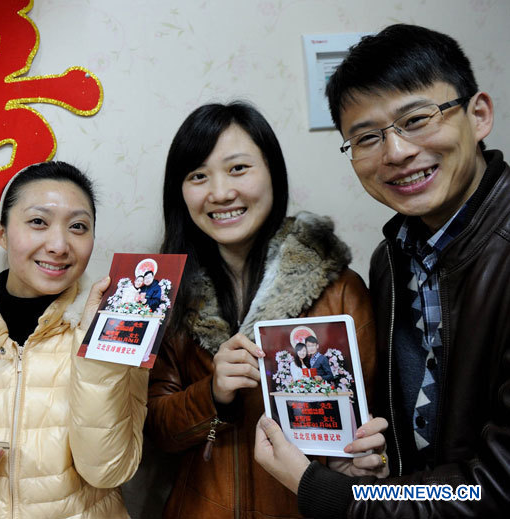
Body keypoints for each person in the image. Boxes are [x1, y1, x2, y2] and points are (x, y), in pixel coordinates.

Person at [255, 24, 510, 517]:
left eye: (417, 119)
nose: (396, 153)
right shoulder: (391, 257)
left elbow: (493, 489)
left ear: (478, 115)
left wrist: (329, 493)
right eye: (367, 137)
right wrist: (377, 466)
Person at [145, 101, 384, 519]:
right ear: (180, 192)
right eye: (198, 176)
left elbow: (375, 421)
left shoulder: (341, 290)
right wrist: (212, 394)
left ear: (273, 172)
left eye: (238, 169)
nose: (220, 193)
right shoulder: (169, 294)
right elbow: (157, 430)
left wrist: (364, 461)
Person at [0, 161, 148, 518]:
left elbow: (108, 471)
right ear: (2, 233)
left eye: (78, 226)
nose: (59, 245)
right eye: (38, 222)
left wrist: (98, 349)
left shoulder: (122, 325)